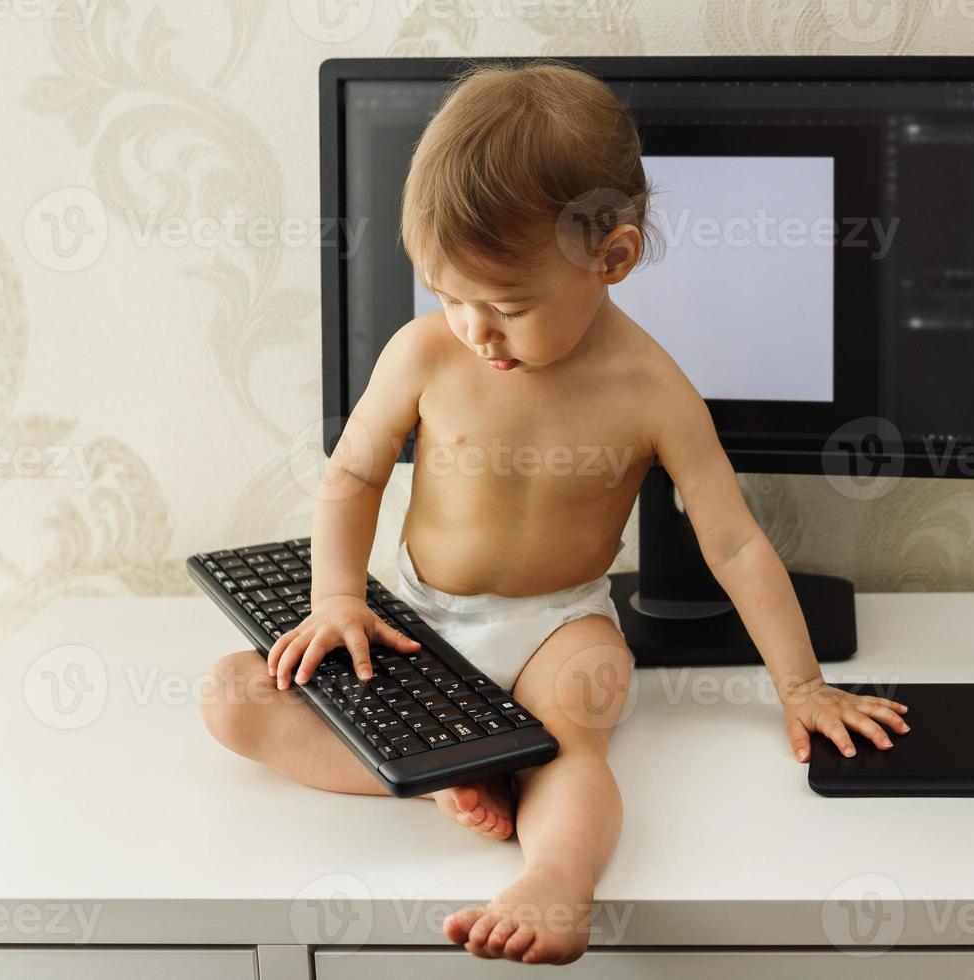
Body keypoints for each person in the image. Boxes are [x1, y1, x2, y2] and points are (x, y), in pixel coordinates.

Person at [201, 60, 908, 966]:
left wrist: (802, 687)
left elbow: (733, 544)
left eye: (505, 305)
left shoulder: (652, 388)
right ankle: (441, 775)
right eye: (446, 295)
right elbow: (352, 478)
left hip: (557, 624)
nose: (472, 330)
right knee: (229, 696)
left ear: (610, 258)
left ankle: (555, 880)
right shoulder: (425, 353)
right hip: (417, 616)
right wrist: (339, 598)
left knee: (575, 735)